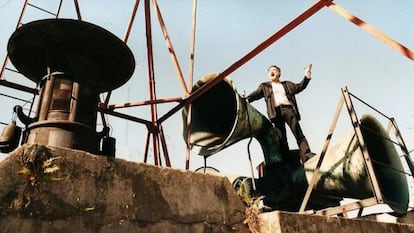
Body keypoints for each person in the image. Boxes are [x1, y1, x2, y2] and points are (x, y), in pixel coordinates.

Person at [246, 64, 314, 164]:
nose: (272, 72)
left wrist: (307, 76)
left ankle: (307, 155)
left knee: (298, 132)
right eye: (270, 71)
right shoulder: (265, 86)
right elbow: (255, 94)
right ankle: (287, 160)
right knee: (281, 138)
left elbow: (300, 86)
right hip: (275, 113)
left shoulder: (287, 84)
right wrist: (246, 99)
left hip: (288, 109)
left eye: (274, 70)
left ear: (279, 73)